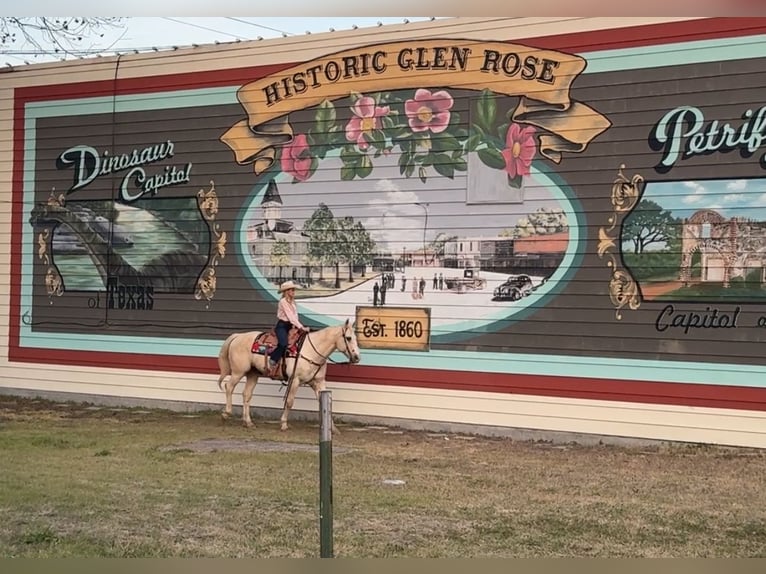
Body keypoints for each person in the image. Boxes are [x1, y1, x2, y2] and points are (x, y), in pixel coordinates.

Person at [269, 280, 308, 369]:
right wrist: (301, 327)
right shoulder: (283, 302)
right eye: (292, 290)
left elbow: (295, 316)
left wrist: (298, 327)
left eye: (294, 290)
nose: (294, 292)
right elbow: (290, 316)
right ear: (287, 291)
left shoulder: (293, 302)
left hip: (291, 325)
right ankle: (273, 359)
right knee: (283, 343)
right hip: (282, 326)